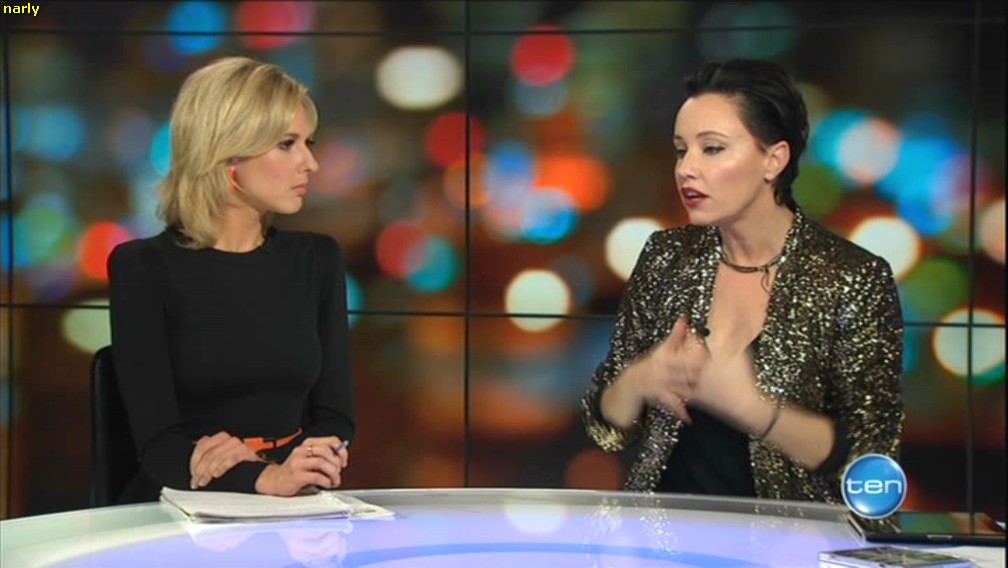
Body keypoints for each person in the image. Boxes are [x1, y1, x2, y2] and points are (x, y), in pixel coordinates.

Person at [581, 59, 904, 502]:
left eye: (712, 149)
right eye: (681, 150)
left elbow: (870, 461)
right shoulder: (666, 257)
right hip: (659, 532)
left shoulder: (853, 279)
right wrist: (639, 379)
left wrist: (750, 408)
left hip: (789, 537)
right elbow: (606, 429)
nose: (686, 169)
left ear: (774, 159)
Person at [108, 56, 354, 503]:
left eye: (308, 142)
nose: (311, 163)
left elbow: (335, 418)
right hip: (179, 506)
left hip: (293, 499)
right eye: (287, 144)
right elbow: (159, 446)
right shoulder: (141, 267)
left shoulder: (318, 259)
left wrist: (298, 468)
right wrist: (263, 477)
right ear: (226, 155)